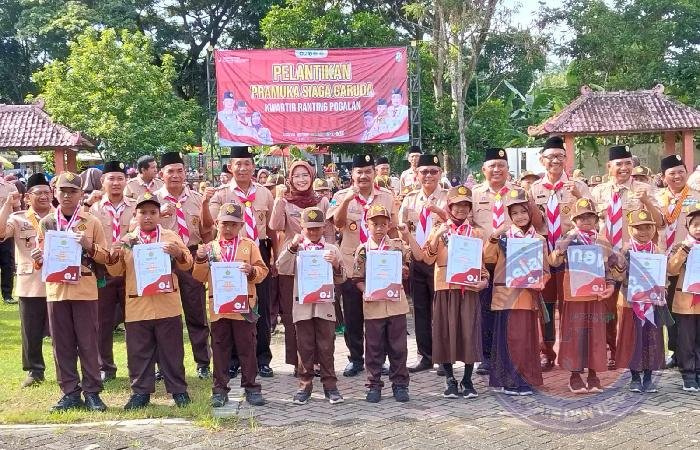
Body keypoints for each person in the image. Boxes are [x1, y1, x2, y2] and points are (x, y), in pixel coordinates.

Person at [106, 192, 192, 409]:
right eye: (143, 212)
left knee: (172, 351)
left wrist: (178, 254)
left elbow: (188, 264)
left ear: (159, 215)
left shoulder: (170, 237)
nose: (148, 217)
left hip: (167, 304)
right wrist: (114, 254)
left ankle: (178, 390)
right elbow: (115, 271)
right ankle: (140, 392)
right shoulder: (127, 241)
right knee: (139, 351)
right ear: (135, 215)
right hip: (138, 305)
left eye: (153, 212)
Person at [33, 171, 109, 411]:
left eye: (72, 191)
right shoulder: (47, 223)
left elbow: (106, 257)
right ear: (55, 193)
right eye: (62, 191)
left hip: (84, 289)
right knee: (62, 344)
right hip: (57, 290)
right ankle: (70, 392)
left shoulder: (92, 222)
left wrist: (89, 245)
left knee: (88, 343)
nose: (67, 196)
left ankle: (92, 392)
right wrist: (37, 258)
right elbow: (41, 258)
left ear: (81, 194)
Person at [203, 146, 277, 378]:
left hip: (258, 251)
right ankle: (234, 360)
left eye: (247, 164)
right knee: (231, 306)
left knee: (261, 306)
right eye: (238, 164)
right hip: (230, 256)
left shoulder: (265, 194)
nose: (243, 168)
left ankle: (262, 358)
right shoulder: (221, 194)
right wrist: (205, 202)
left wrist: (273, 256)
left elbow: (272, 229)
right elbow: (210, 225)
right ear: (230, 167)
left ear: (253, 166)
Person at [471, 147, 543, 375]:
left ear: (508, 169)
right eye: (492, 166)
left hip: (513, 260)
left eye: (501, 165)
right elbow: (467, 224)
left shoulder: (519, 192)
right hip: (483, 258)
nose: (497, 169)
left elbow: (537, 223)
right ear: (483, 169)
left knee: (510, 310)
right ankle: (486, 356)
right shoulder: (474, 194)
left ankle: (511, 354)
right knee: (485, 308)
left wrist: (530, 199)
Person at [590, 145, 663, 369]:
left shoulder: (645, 188)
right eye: (619, 164)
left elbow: (660, 222)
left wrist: (647, 201)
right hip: (604, 259)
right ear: (609, 166)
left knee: (630, 310)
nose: (624, 167)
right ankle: (611, 350)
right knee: (606, 309)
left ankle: (633, 354)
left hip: (633, 261)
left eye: (628, 163)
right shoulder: (598, 192)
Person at [327, 154, 397, 377]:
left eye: (368, 171)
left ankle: (379, 359)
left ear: (374, 173)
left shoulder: (386, 196)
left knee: (379, 315)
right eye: (359, 172)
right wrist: (347, 200)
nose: (364, 176)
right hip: (351, 265)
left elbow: (394, 228)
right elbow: (337, 224)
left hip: (380, 265)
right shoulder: (340, 196)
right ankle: (356, 358)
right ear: (352, 174)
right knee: (353, 315)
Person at [193, 202, 269, 407]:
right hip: (219, 307)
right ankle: (219, 389)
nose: (228, 228)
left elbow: (263, 272)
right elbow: (199, 277)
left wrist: (251, 271)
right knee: (219, 349)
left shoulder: (249, 245)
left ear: (241, 225)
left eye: (233, 224)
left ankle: (251, 387)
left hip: (243, 307)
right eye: (224, 224)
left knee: (247, 348)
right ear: (217, 223)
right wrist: (200, 260)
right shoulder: (209, 248)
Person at [421, 186, 489, 398]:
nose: (461, 209)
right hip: (445, 288)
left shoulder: (476, 233)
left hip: (468, 289)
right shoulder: (439, 230)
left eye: (466, 205)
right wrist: (436, 236)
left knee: (469, 332)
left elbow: (482, 265)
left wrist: (484, 281)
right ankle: (450, 379)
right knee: (445, 333)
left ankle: (467, 379)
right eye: (457, 205)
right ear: (449, 207)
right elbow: (427, 259)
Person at [529, 135, 590, 371]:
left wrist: (579, 196)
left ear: (566, 159)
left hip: (572, 251)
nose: (556, 160)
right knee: (545, 304)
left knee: (571, 305)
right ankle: (547, 353)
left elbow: (592, 217)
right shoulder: (534, 188)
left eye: (560, 156)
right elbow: (532, 224)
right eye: (551, 156)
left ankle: (572, 352)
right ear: (542, 160)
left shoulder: (578, 185)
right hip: (544, 251)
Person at [269, 160, 334, 374]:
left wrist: (330, 255)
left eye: (305, 175)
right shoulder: (285, 201)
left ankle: (318, 361)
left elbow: (329, 233)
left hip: (318, 264)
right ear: (290, 179)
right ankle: (299, 361)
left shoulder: (321, 201)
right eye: (296, 175)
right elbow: (275, 226)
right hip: (292, 262)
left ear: (312, 177)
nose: (301, 179)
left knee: (317, 312)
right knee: (293, 314)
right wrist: (278, 200)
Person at [277, 207, 346, 405]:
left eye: (317, 228)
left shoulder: (331, 249)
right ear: (302, 227)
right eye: (309, 228)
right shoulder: (296, 248)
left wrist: (336, 265)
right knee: (304, 347)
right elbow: (281, 268)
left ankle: (330, 386)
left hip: (325, 306)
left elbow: (342, 278)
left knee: (327, 347)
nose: (313, 232)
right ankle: (304, 385)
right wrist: (292, 247)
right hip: (303, 307)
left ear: (324, 227)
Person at [483, 188, 549, 395]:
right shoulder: (503, 238)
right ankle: (509, 380)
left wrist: (541, 282)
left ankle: (525, 379)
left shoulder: (539, 239)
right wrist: (494, 236)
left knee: (526, 340)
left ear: (530, 212)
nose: (520, 217)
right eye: (514, 213)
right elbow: (488, 258)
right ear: (509, 216)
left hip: (528, 295)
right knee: (509, 339)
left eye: (523, 211)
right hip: (506, 296)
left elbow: (545, 270)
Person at [353, 205, 420, 403]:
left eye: (383, 224)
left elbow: (412, 261)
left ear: (389, 225)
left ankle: (400, 384)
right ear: (367, 225)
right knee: (373, 348)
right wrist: (366, 290)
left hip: (395, 303)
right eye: (375, 224)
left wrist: (404, 270)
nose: (379, 228)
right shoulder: (363, 250)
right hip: (373, 306)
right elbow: (357, 278)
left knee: (398, 347)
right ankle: (373, 385)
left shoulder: (397, 246)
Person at [155, 152, 212, 379]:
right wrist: (158, 214)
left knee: (196, 310)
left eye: (180, 170)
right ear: (162, 174)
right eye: (171, 171)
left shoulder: (197, 199)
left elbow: (207, 230)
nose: (176, 175)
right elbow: (138, 227)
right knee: (164, 314)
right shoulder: (153, 200)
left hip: (191, 254)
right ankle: (164, 365)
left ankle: (203, 362)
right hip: (162, 258)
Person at [548, 197, 615, 393]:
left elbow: (608, 267)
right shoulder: (567, 238)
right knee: (574, 333)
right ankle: (574, 375)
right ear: (574, 220)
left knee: (595, 334)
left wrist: (610, 285)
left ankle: (593, 374)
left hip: (596, 293)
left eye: (590, 217)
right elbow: (553, 262)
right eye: (581, 217)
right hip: (574, 293)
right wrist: (564, 244)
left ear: (596, 220)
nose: (586, 220)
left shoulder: (601, 240)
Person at [82, 161, 137, 382]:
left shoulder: (136, 206)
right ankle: (105, 366)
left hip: (129, 270)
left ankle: (138, 365)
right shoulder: (92, 208)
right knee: (102, 321)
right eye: (111, 179)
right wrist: (86, 204)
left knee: (135, 320)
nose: (116, 183)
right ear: (102, 181)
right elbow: (80, 230)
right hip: (102, 269)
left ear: (126, 181)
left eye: (120, 178)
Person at [0, 174, 53, 387]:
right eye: (38, 193)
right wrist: (7, 205)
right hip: (30, 283)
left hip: (57, 281)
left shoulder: (60, 216)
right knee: (30, 331)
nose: (44, 196)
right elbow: (1, 232)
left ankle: (65, 369)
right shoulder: (18, 218)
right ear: (27, 197)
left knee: (62, 331)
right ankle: (35, 371)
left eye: (47, 192)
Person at [399, 154, 448, 373]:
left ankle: (443, 358)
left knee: (441, 311)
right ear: (416, 174)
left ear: (440, 173)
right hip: (417, 260)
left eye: (433, 171)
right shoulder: (410, 199)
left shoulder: (448, 197)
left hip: (440, 261)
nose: (428, 175)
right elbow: (402, 230)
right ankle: (425, 356)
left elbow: (458, 222)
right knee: (420, 310)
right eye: (424, 171)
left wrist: (440, 212)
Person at [614, 208, 670, 393]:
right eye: (638, 228)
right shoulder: (625, 250)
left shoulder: (658, 251)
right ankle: (634, 377)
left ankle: (648, 377)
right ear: (630, 229)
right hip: (630, 303)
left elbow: (664, 277)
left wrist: (663, 290)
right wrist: (621, 262)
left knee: (651, 338)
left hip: (652, 304)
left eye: (648, 227)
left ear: (653, 229)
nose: (643, 232)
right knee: (633, 339)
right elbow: (618, 277)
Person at [656, 154, 700, 368]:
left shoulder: (696, 196)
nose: (677, 176)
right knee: (665, 307)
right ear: (663, 176)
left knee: (686, 310)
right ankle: (673, 350)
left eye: (681, 171)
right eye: (672, 173)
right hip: (660, 260)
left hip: (686, 264)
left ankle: (689, 353)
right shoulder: (656, 198)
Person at [667, 204, 700, 392]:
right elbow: (671, 269)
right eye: (695, 225)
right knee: (686, 340)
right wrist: (684, 251)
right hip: (685, 303)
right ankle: (688, 374)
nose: (699, 228)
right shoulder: (680, 246)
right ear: (688, 227)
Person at [0, 169, 20, 304]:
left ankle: (7, 294)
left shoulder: (10, 187)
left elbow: (17, 208)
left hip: (6, 230)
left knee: (7, 263)